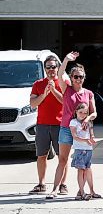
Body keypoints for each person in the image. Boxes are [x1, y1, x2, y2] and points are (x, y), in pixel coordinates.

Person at [46, 52, 101, 199]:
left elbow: (94, 112)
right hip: (66, 129)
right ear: (71, 78)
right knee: (62, 160)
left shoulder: (88, 93)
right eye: (75, 76)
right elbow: (60, 73)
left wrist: (86, 119)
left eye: (81, 77)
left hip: (83, 131)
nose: (78, 79)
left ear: (84, 78)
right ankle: (54, 189)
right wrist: (66, 60)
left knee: (84, 164)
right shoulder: (67, 89)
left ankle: (83, 190)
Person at [29, 56, 69, 195]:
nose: (51, 70)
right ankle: (42, 183)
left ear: (58, 68)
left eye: (53, 67)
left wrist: (53, 90)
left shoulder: (64, 83)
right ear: (44, 69)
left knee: (62, 157)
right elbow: (33, 103)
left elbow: (66, 102)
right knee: (41, 155)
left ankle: (63, 184)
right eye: (48, 67)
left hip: (60, 125)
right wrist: (44, 93)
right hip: (42, 125)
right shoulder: (38, 84)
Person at [69, 103, 96, 200]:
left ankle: (86, 191)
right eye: (80, 112)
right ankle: (81, 191)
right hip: (80, 149)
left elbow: (91, 134)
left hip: (88, 149)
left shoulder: (88, 122)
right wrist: (85, 140)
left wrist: (92, 139)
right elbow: (75, 136)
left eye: (85, 113)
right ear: (76, 112)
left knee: (87, 169)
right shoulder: (73, 122)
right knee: (81, 170)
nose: (83, 115)